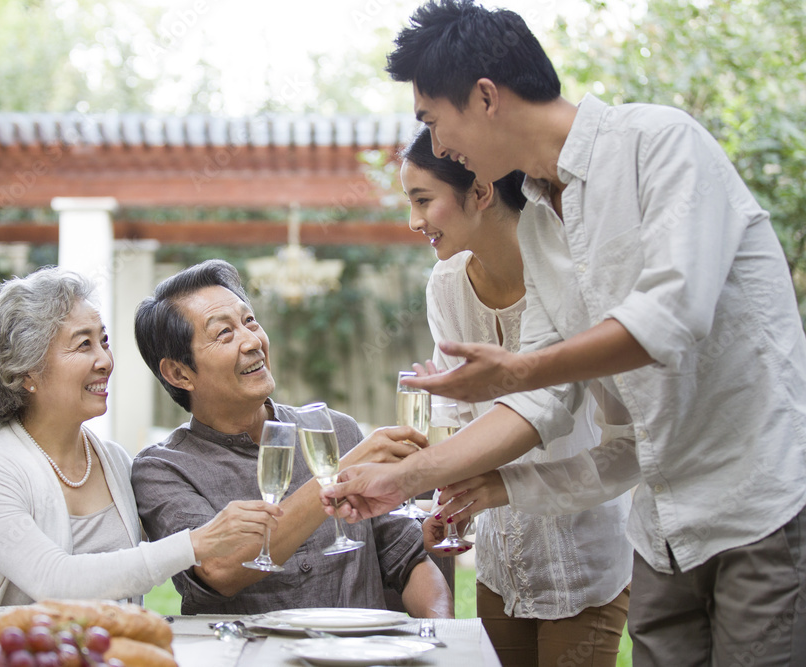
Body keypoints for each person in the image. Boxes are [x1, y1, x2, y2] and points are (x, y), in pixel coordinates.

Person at [322, 1, 806, 664]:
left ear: (486, 96)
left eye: (434, 122)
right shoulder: (542, 225)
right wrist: (408, 478)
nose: (437, 148)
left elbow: (672, 316)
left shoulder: (660, 143)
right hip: (661, 530)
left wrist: (516, 371)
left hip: (757, 506)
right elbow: (544, 399)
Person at [400, 126, 631, 666]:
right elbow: (457, 417)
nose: (413, 221)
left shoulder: (575, 281)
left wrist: (412, 476)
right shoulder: (447, 285)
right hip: (501, 567)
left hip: (584, 566)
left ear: (479, 192)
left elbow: (611, 436)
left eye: (423, 200)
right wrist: (449, 501)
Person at [0, 266, 281, 614]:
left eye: (103, 341)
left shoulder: (115, 463)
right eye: (83, 345)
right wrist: (195, 543)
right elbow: (52, 581)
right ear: (27, 371)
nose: (105, 360)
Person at [131, 259, 452, 617]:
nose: (253, 341)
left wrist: (444, 635)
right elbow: (220, 571)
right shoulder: (161, 470)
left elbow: (408, 559)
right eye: (224, 333)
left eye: (250, 321)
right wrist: (342, 472)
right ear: (178, 372)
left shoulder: (336, 430)